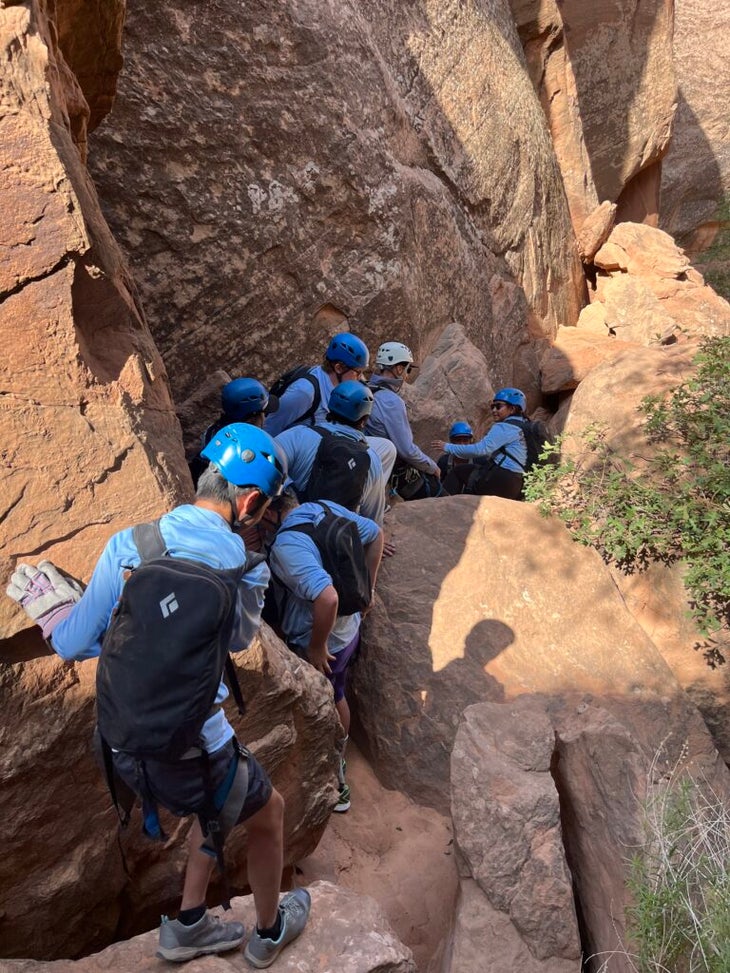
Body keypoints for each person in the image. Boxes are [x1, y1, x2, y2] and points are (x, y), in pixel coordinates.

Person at [6, 424, 310, 968]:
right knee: (269, 813)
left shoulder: (132, 543)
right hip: (192, 745)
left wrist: (62, 613)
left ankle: (190, 923)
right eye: (263, 507)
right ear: (250, 501)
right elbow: (239, 640)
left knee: (216, 802)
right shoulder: (246, 567)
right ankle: (269, 932)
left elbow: (73, 643)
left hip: (121, 742)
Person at [261, 490, 383, 813]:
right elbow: (375, 533)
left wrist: (317, 647)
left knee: (329, 698)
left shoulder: (287, 545)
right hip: (349, 628)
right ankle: (335, 756)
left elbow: (327, 597)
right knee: (337, 691)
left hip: (322, 641)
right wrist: (368, 592)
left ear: (271, 513)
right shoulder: (324, 506)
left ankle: (335, 774)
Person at [274, 380, 393, 526]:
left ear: (330, 407)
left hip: (293, 525)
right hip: (337, 536)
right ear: (364, 420)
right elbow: (373, 520)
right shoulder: (371, 459)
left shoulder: (298, 435)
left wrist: (290, 495)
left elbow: (267, 464)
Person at [365, 341, 442, 500]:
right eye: (408, 369)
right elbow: (406, 450)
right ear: (399, 369)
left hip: (367, 459)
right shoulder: (392, 401)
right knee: (437, 492)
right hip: (383, 468)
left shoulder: (366, 389)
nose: (407, 374)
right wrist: (432, 466)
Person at [263, 332, 369, 437]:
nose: (360, 378)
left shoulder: (340, 386)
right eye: (358, 372)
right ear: (339, 368)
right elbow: (270, 428)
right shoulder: (304, 393)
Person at [431, 388, 528, 500]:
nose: (494, 410)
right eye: (492, 407)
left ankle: (441, 505)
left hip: (502, 480)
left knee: (459, 471)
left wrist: (447, 447)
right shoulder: (525, 426)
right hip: (518, 484)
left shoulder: (504, 427)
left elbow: (481, 449)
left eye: (498, 406)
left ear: (512, 409)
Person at [188, 378, 279, 487]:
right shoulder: (248, 448)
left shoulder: (214, 430)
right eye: (263, 413)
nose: (265, 417)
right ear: (252, 416)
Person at [437, 421, 476, 495]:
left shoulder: (479, 461)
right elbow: (438, 486)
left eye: (465, 441)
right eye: (458, 440)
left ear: (470, 442)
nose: (462, 444)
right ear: (452, 442)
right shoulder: (444, 462)